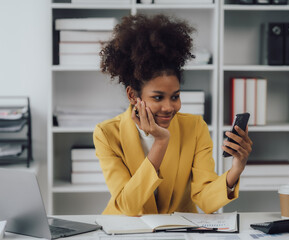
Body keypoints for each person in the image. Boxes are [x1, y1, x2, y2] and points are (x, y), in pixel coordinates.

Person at [93, 14, 253, 216]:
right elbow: (128, 206)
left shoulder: (194, 127)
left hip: (178, 230)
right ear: (133, 95)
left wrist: (236, 169)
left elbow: (205, 199)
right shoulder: (107, 134)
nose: (169, 107)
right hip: (126, 230)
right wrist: (160, 142)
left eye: (175, 96)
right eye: (158, 98)